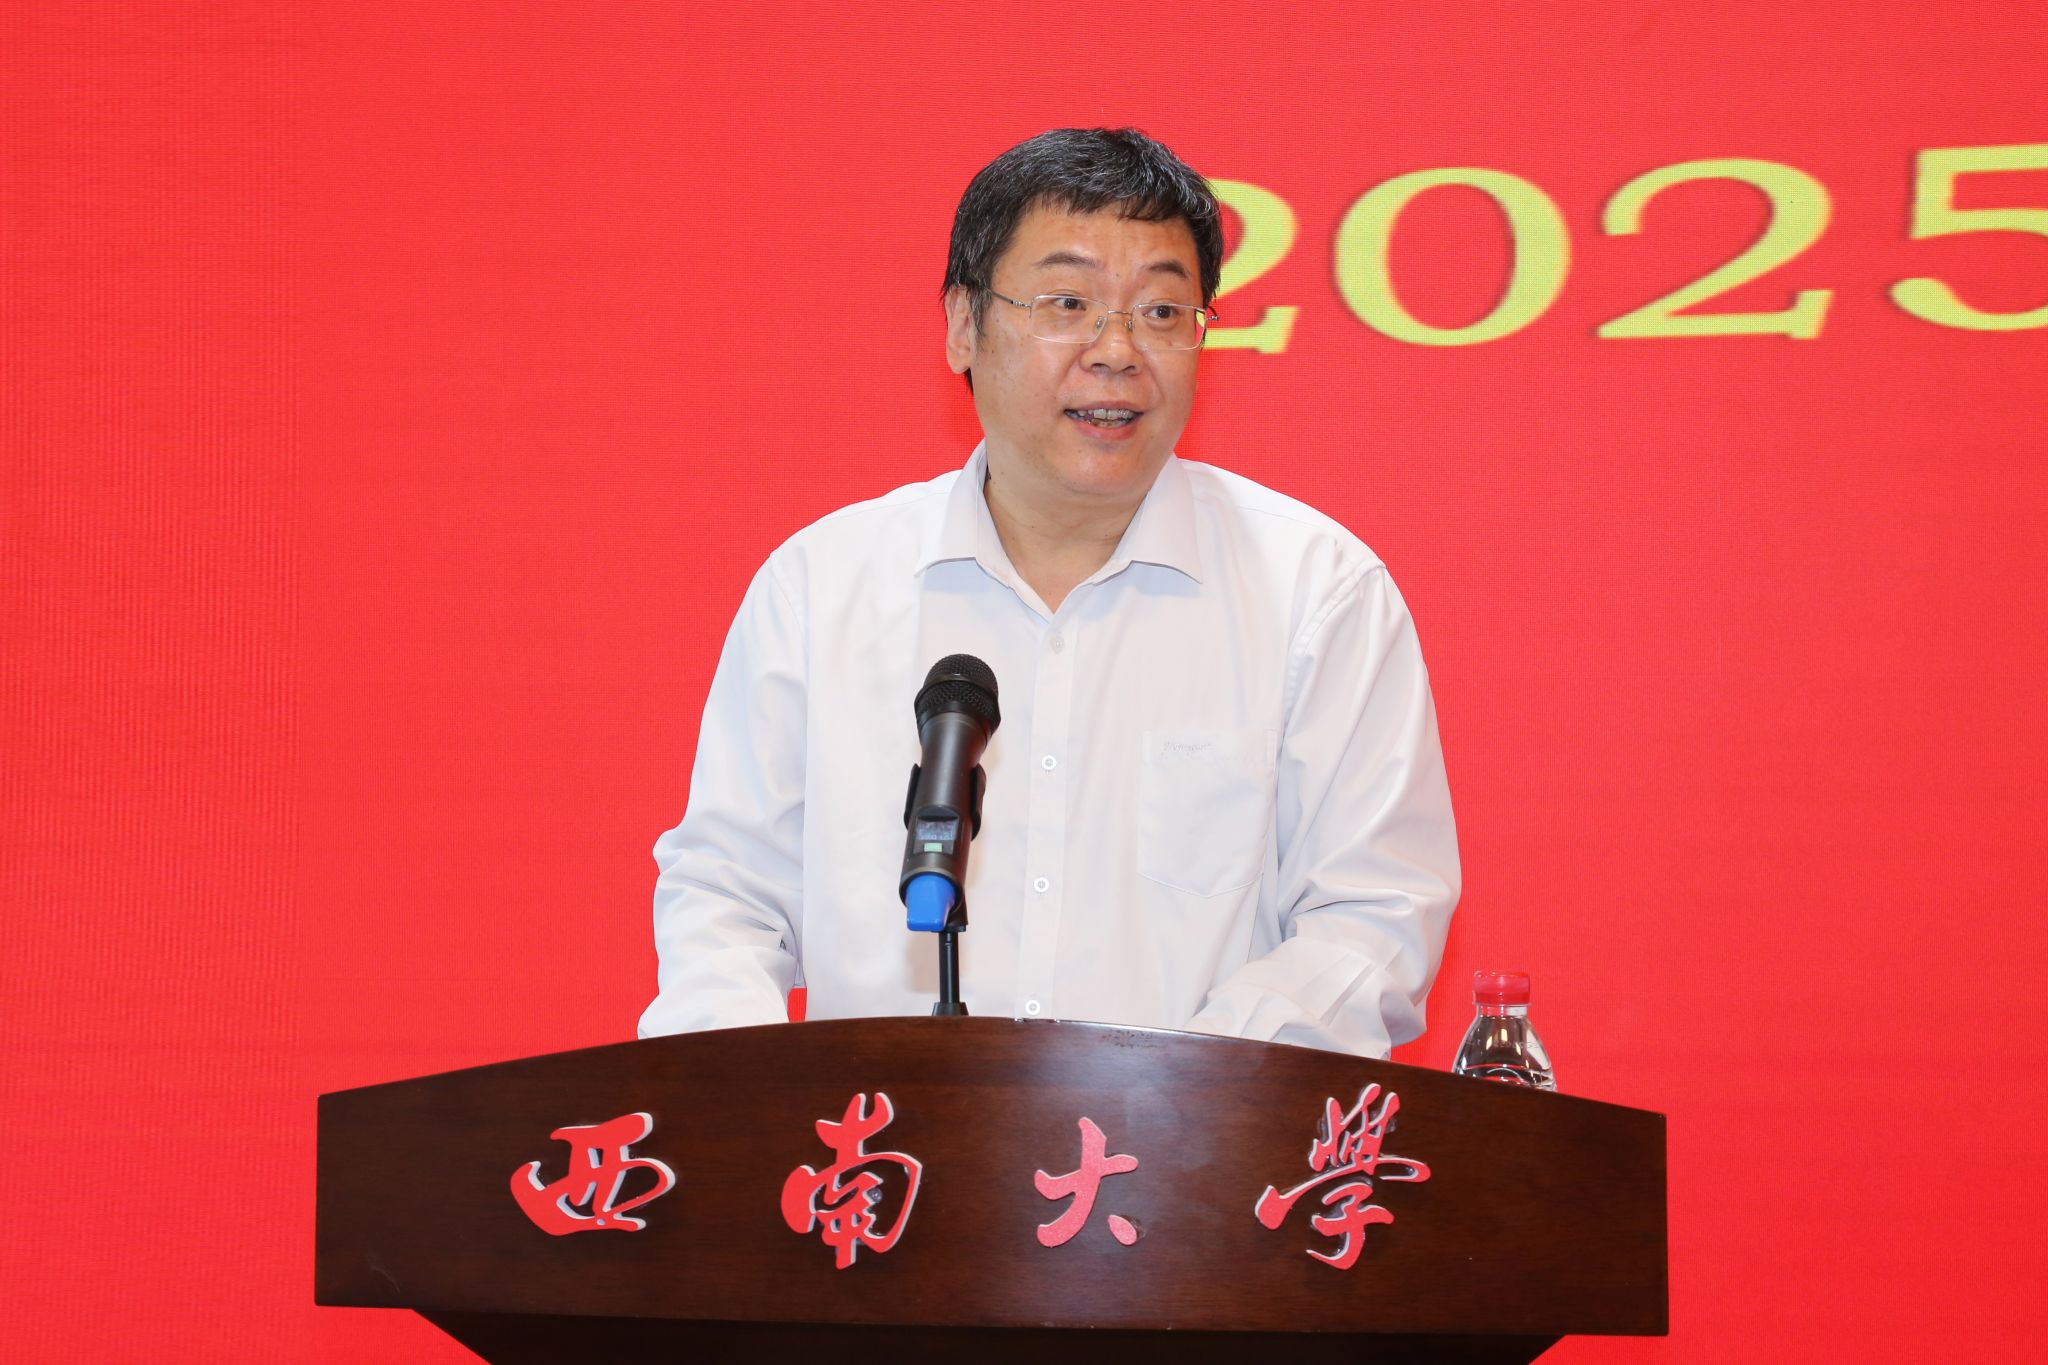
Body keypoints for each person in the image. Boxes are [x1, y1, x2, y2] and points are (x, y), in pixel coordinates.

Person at [639, 128, 1458, 1058]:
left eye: (1162, 310)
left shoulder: (1317, 591)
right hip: (884, 1143)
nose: (1117, 350)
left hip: (1197, 1145)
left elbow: (1374, 916)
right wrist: (748, 1106)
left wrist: (1173, 1097)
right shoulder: (822, 586)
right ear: (964, 325)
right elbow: (727, 896)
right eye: (1068, 303)